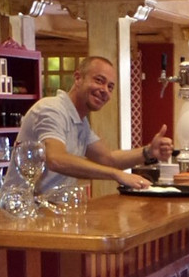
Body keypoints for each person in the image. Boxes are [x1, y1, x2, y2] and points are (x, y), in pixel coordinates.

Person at [15, 55, 171, 194]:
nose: (104, 90)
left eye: (110, 87)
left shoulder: (81, 122)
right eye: (99, 81)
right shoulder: (51, 109)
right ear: (78, 78)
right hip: (22, 209)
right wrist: (115, 174)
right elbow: (56, 159)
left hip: (50, 209)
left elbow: (109, 159)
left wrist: (148, 151)